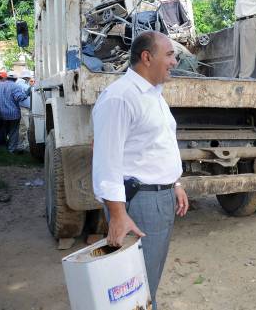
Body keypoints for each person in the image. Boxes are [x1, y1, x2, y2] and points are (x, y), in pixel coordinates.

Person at [92, 31, 189, 309]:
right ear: (147, 57)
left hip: (160, 198)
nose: (174, 61)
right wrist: (118, 215)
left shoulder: (153, 94)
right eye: (169, 54)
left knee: (148, 281)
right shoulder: (120, 97)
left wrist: (175, 184)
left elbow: (158, 145)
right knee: (135, 287)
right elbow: (105, 161)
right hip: (140, 203)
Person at [0, 72, 30, 153]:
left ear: (6, 78)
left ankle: (3, 148)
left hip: (1, 113)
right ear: (15, 79)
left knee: (3, 131)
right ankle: (11, 149)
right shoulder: (16, 86)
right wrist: (27, 93)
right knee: (13, 132)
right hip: (13, 114)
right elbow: (19, 97)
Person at [16, 70, 33, 152]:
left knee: (22, 127)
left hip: (24, 108)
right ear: (27, 77)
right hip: (24, 108)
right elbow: (29, 90)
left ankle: (20, 145)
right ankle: (25, 146)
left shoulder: (22, 82)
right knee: (27, 127)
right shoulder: (21, 83)